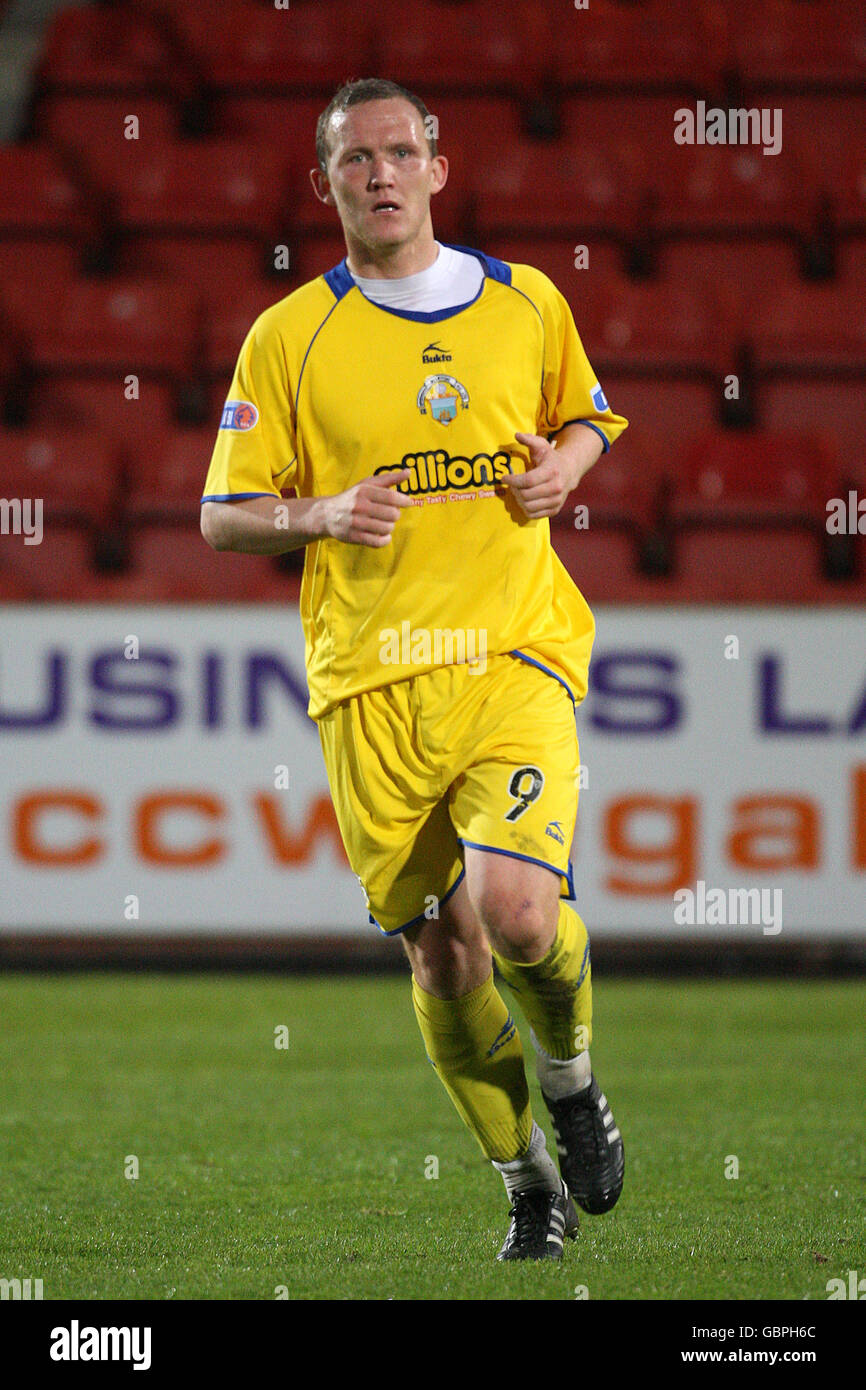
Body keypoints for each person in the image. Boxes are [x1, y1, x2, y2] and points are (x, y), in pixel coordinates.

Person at [201, 78, 627, 1261]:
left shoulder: (524, 299)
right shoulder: (288, 335)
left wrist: (568, 470)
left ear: (438, 167)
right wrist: (325, 509)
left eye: (400, 153)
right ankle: (524, 1178)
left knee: (517, 915)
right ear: (324, 183)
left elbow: (586, 416)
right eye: (355, 160)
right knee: (442, 956)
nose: (380, 174)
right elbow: (222, 518)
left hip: (510, 653)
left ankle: (575, 1083)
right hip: (369, 686)